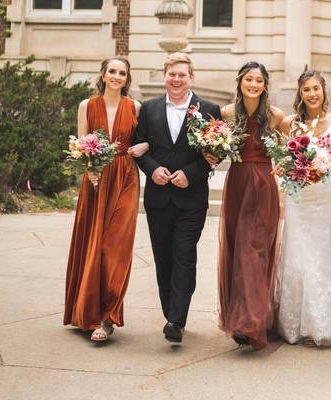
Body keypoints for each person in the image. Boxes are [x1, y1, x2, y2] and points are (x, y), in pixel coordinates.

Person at [133, 53, 221, 344]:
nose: (177, 79)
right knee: (163, 258)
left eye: (182, 75)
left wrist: (191, 173)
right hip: (158, 197)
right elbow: (139, 146)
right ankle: (170, 310)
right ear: (165, 75)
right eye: (172, 74)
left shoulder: (208, 109)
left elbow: (215, 154)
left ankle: (177, 319)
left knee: (184, 255)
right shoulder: (149, 108)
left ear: (191, 77)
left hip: (191, 198)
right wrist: (153, 169)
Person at [64, 57, 146, 342]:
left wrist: (144, 144)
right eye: (112, 71)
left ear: (127, 79)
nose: (116, 76)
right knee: (94, 242)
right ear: (103, 74)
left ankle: (108, 317)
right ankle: (88, 312)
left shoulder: (134, 107)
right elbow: (80, 143)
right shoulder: (87, 105)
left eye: (122, 73)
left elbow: (147, 139)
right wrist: (90, 169)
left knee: (116, 247)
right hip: (96, 179)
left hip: (125, 177)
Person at [275, 70, 331, 347]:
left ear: (324, 90)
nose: (312, 94)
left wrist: (327, 162)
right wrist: (290, 168)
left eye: (316, 88)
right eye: (306, 89)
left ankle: (324, 323)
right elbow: (280, 160)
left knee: (326, 257)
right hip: (300, 199)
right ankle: (296, 323)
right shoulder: (288, 124)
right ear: (300, 93)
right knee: (298, 256)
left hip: (327, 197)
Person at [217, 61, 285, 350]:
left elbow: (286, 151)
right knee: (238, 249)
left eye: (259, 80)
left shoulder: (275, 116)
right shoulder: (227, 113)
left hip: (263, 185)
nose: (254, 84)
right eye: (249, 79)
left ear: (265, 85)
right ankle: (242, 314)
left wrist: (282, 163)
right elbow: (217, 147)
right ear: (240, 82)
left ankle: (252, 321)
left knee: (254, 250)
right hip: (237, 183)